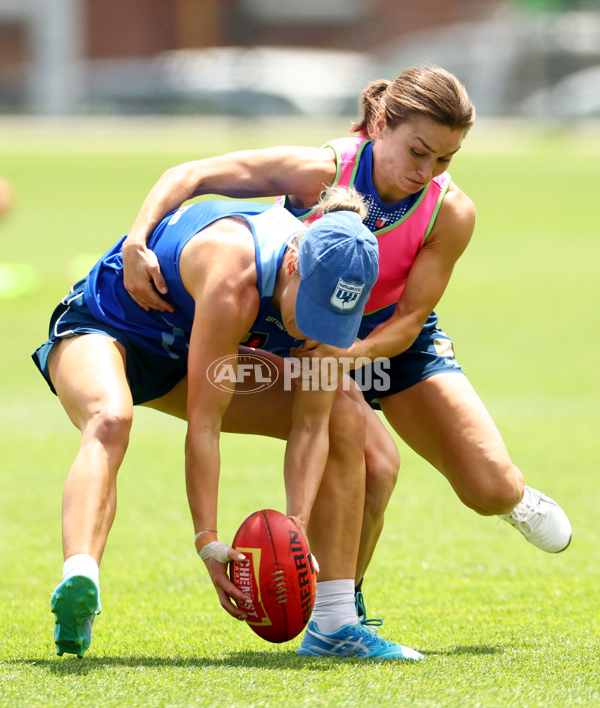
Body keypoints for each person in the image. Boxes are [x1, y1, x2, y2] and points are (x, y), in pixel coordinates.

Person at [119, 64, 572, 617]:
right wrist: (137, 242)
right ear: (381, 124)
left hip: (387, 340)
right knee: (376, 462)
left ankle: (514, 502)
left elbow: (409, 321)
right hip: (304, 328)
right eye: (418, 151)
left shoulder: (449, 212)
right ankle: (339, 610)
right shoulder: (319, 172)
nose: (425, 171)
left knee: (490, 488)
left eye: (444, 159)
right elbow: (190, 174)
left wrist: (347, 355)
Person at [33, 187, 423, 661]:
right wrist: (208, 540)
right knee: (110, 417)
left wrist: (296, 524)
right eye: (311, 310)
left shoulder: (336, 305)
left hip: (186, 357)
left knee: (344, 410)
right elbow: (204, 424)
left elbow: (311, 426)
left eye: (330, 320)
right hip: (108, 328)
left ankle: (335, 625)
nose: (314, 331)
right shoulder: (234, 278)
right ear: (292, 265)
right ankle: (81, 576)